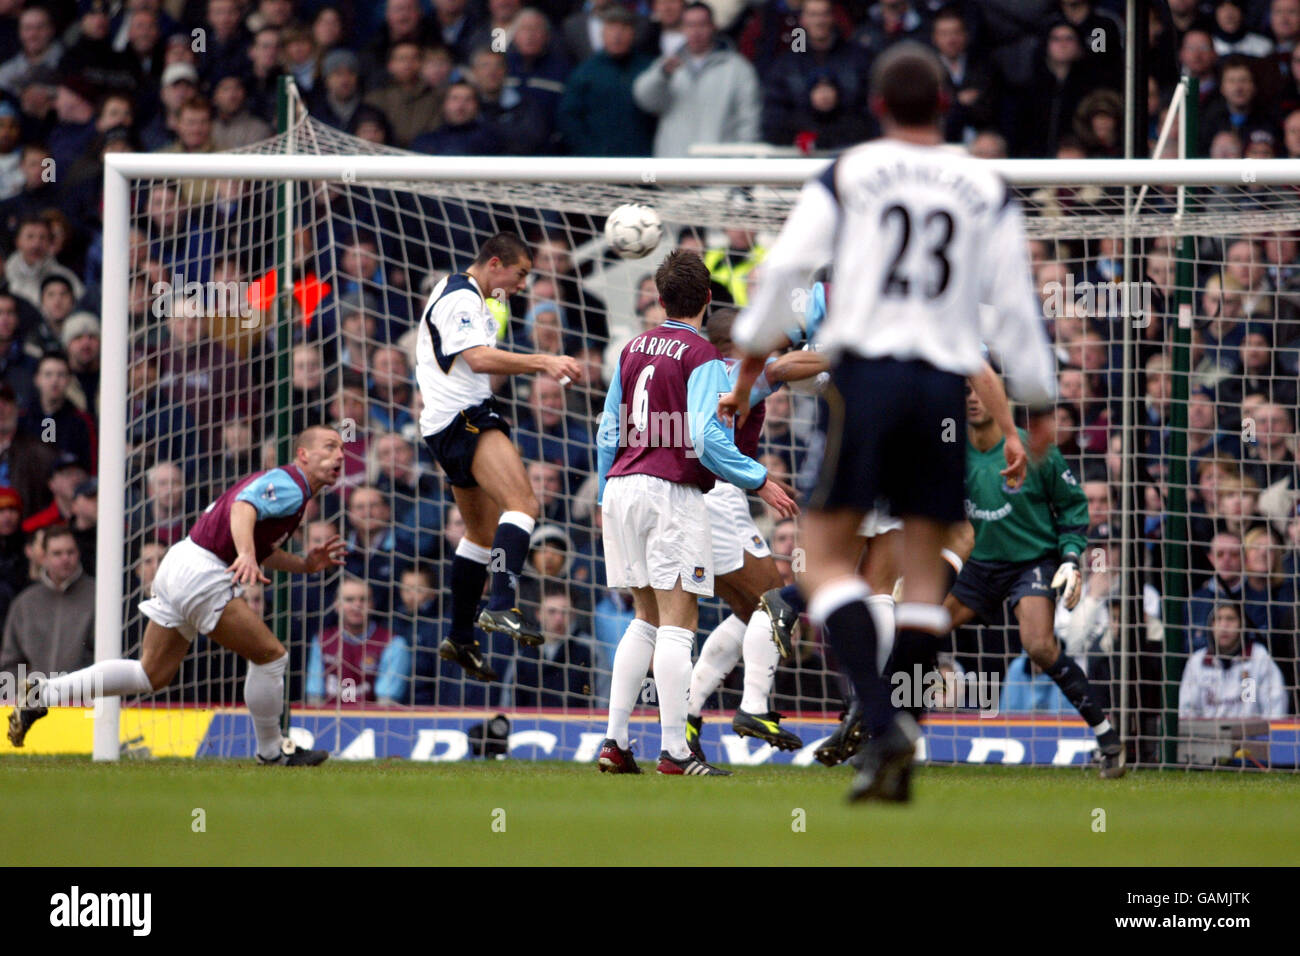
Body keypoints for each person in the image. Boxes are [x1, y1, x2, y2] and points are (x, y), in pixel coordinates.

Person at [724, 42, 1057, 802]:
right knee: (920, 573)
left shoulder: (848, 173)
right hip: (941, 391)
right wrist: (1033, 412)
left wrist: (748, 368)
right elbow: (1016, 308)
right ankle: (896, 736)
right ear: (947, 105)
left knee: (826, 560)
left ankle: (883, 719)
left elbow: (781, 274)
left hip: (866, 381)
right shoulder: (986, 187)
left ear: (874, 107)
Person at [7, 426, 349, 765]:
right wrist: (245, 554)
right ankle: (272, 751)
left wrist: (303, 564)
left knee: (149, 674)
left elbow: (258, 544)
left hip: (181, 561)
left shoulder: (288, 489)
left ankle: (44, 694)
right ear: (303, 454)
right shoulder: (291, 485)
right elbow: (243, 508)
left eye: (341, 448)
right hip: (204, 572)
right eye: (330, 447)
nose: (339, 454)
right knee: (272, 657)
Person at [595, 249, 796, 776]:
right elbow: (706, 436)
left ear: (660, 299)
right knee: (679, 622)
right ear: (708, 298)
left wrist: (601, 492)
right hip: (670, 490)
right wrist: (760, 479)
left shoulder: (632, 347)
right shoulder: (702, 354)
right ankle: (675, 751)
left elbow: (607, 429)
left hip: (621, 486)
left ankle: (615, 743)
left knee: (645, 618)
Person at [415, 232, 582, 683]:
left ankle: (461, 636)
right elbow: (479, 358)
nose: (524, 283)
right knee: (525, 505)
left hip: (446, 424)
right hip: (464, 419)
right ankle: (502, 603)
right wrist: (544, 362)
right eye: (521, 273)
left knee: (481, 534)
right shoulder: (461, 298)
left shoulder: (469, 296)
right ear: (494, 263)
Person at [941, 381, 1125, 775]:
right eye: (965, 391)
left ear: (1002, 398)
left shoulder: (1037, 450)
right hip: (978, 562)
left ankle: (1107, 736)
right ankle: (879, 729)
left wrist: (1071, 558)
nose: (973, 398)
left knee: (1039, 645)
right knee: (922, 628)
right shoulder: (950, 446)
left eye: (981, 390)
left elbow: (1074, 508)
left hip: (1031, 562)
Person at [0, 525, 95, 688]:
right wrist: (23, 695)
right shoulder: (25, 603)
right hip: (34, 703)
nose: (65, 558)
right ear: (43, 558)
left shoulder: (98, 596)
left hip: (85, 702)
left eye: (70, 552)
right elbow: (10, 663)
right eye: (57, 553)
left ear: (78, 554)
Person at [306, 576, 406, 706]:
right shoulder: (321, 640)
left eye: (363, 600)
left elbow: (386, 703)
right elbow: (314, 698)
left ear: (372, 604)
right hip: (328, 721)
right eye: (349, 600)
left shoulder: (393, 643)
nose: (357, 605)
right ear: (336, 605)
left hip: (373, 723)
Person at [1178, 602, 1288, 719]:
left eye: (1230, 619)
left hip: (1252, 735)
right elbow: (1186, 710)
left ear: (1242, 625)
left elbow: (1276, 708)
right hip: (1208, 735)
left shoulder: (1259, 657)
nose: (1224, 625)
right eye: (1218, 619)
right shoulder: (1196, 662)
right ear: (1210, 626)